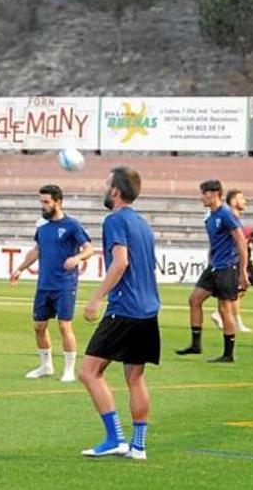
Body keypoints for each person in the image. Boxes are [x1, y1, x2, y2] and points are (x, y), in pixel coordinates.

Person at [79, 166, 160, 461]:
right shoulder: (143, 224)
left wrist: (95, 298)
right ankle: (138, 446)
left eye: (106, 183)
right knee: (135, 378)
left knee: (89, 372)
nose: (104, 187)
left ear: (115, 191)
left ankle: (115, 438)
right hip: (148, 311)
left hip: (124, 309)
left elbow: (120, 262)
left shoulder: (114, 219)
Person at [10, 184, 94, 383]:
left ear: (58, 202)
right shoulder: (42, 227)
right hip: (44, 284)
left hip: (65, 284)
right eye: (41, 202)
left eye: (46, 202)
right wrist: (20, 269)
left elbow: (89, 249)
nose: (43, 206)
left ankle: (69, 370)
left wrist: (78, 258)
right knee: (39, 326)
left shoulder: (72, 225)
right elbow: (37, 250)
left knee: (64, 326)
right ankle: (46, 366)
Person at [176, 180, 249, 363]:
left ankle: (228, 354)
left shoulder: (226, 214)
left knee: (224, 309)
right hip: (215, 266)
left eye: (204, 193)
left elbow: (241, 241)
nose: (201, 197)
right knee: (194, 299)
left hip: (227, 267)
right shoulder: (210, 216)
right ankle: (196, 344)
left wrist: (243, 271)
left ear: (214, 193)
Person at [209, 188, 253, 333]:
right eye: (241, 198)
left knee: (239, 290)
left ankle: (225, 316)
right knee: (234, 292)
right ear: (234, 201)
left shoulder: (232, 218)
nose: (245, 201)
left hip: (229, 262)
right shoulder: (228, 217)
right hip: (228, 263)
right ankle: (231, 321)